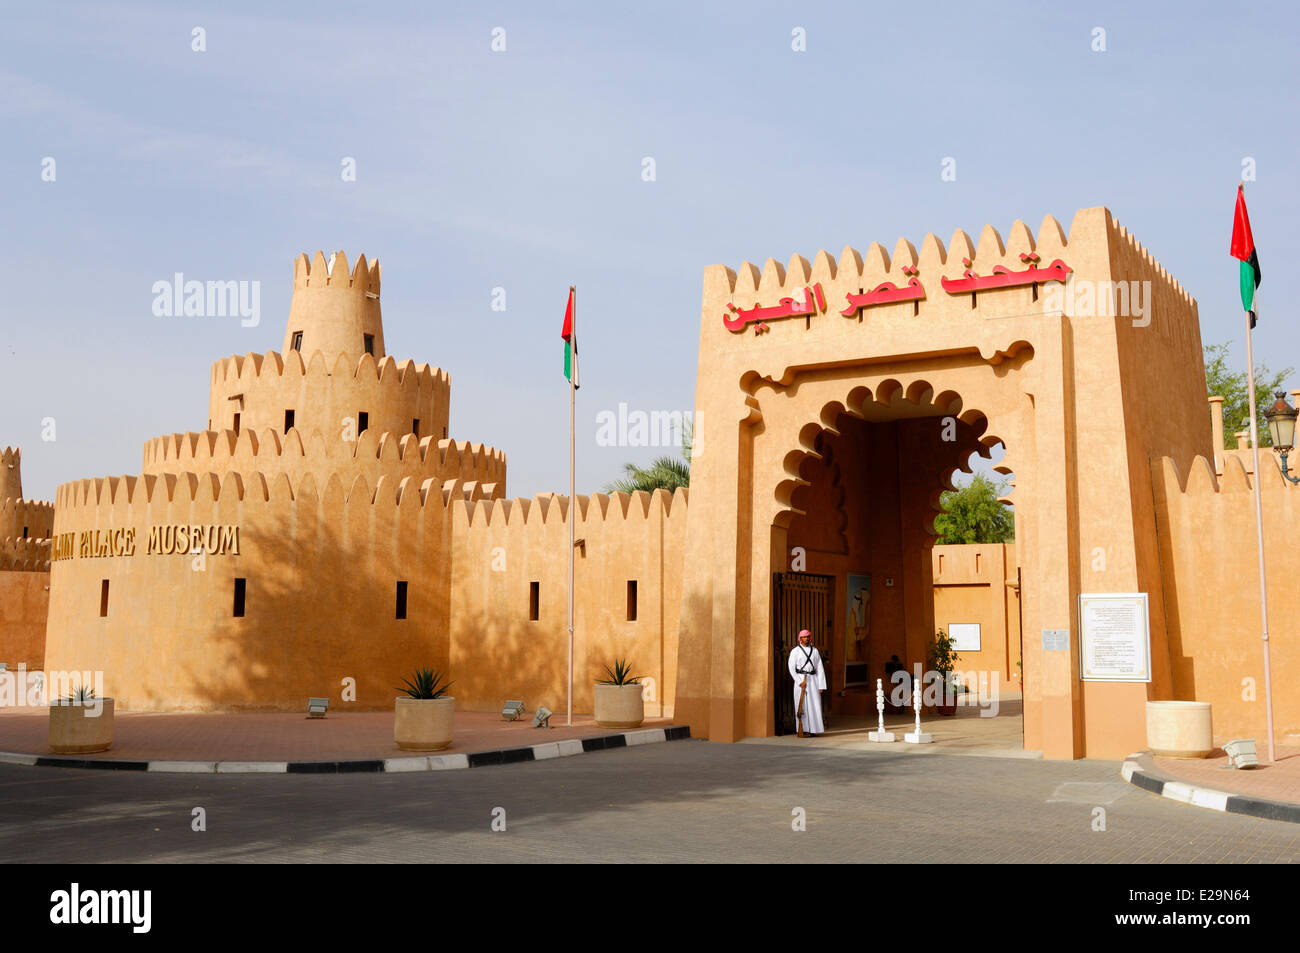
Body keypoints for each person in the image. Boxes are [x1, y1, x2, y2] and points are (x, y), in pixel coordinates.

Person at [788, 629, 826, 736]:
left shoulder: (815, 651)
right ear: (800, 638)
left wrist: (821, 685)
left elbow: (820, 668)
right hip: (801, 680)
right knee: (802, 706)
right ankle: (803, 729)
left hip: (813, 680)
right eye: (804, 637)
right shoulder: (795, 651)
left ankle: (814, 730)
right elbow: (791, 668)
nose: (806, 639)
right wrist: (800, 681)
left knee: (814, 705)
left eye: (808, 636)